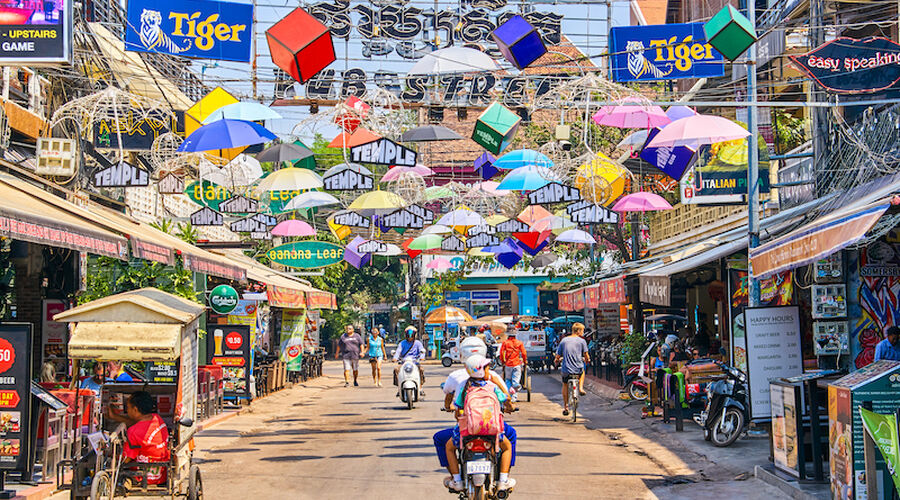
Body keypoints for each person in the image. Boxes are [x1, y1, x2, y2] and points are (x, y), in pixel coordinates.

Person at [444, 355, 516, 493]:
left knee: (449, 447)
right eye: (487, 368)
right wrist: (498, 385)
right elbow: (506, 399)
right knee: (507, 447)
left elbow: (458, 409)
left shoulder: (465, 388)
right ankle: (503, 481)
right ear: (482, 370)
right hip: (491, 430)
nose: (489, 370)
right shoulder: (493, 387)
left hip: (468, 431)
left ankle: (457, 481)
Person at [105, 391, 170, 485]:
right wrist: (114, 417)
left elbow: (125, 459)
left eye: (128, 407)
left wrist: (113, 456)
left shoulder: (133, 432)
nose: (127, 411)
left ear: (135, 409)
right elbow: (138, 425)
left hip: (142, 477)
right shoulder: (157, 418)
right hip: (161, 475)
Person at [554, 322, 590, 417]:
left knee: (565, 384)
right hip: (578, 368)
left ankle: (566, 406)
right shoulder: (582, 341)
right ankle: (581, 388)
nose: (583, 332)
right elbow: (586, 355)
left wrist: (556, 360)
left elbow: (558, 355)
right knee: (583, 372)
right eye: (582, 330)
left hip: (566, 369)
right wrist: (588, 360)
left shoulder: (564, 341)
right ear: (578, 331)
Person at [393, 326, 426, 396]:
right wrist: (395, 358)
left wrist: (422, 357)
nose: (410, 338)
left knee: (421, 369)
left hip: (415, 362)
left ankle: (420, 387)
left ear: (414, 336)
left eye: (411, 336)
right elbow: (398, 351)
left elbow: (422, 350)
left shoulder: (418, 343)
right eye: (408, 336)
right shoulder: (402, 343)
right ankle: (399, 387)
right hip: (404, 362)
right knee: (396, 369)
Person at [499, 331, 527, 401]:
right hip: (517, 364)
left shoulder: (505, 343)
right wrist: (525, 361)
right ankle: (515, 389)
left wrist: (503, 362)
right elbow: (524, 353)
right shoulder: (519, 343)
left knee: (508, 380)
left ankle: (510, 396)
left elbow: (501, 353)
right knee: (515, 380)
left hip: (508, 364)